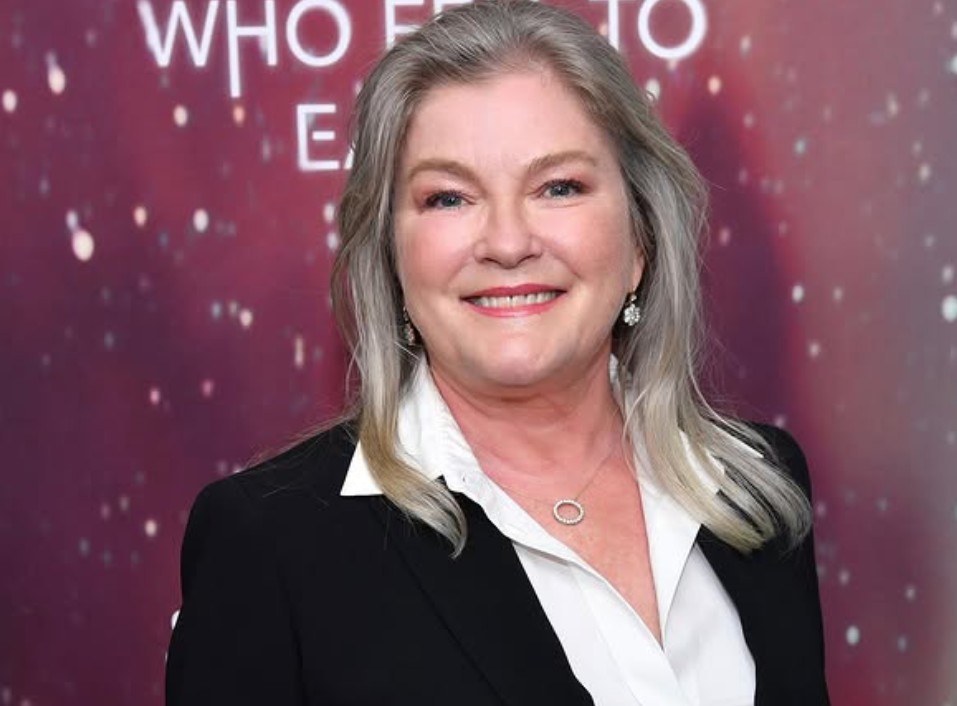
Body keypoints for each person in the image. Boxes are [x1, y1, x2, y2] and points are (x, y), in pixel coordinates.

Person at [165, 2, 829, 705]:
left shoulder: (755, 486)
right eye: (449, 198)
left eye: (559, 188)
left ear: (639, 239)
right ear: (390, 255)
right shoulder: (271, 544)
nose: (508, 243)